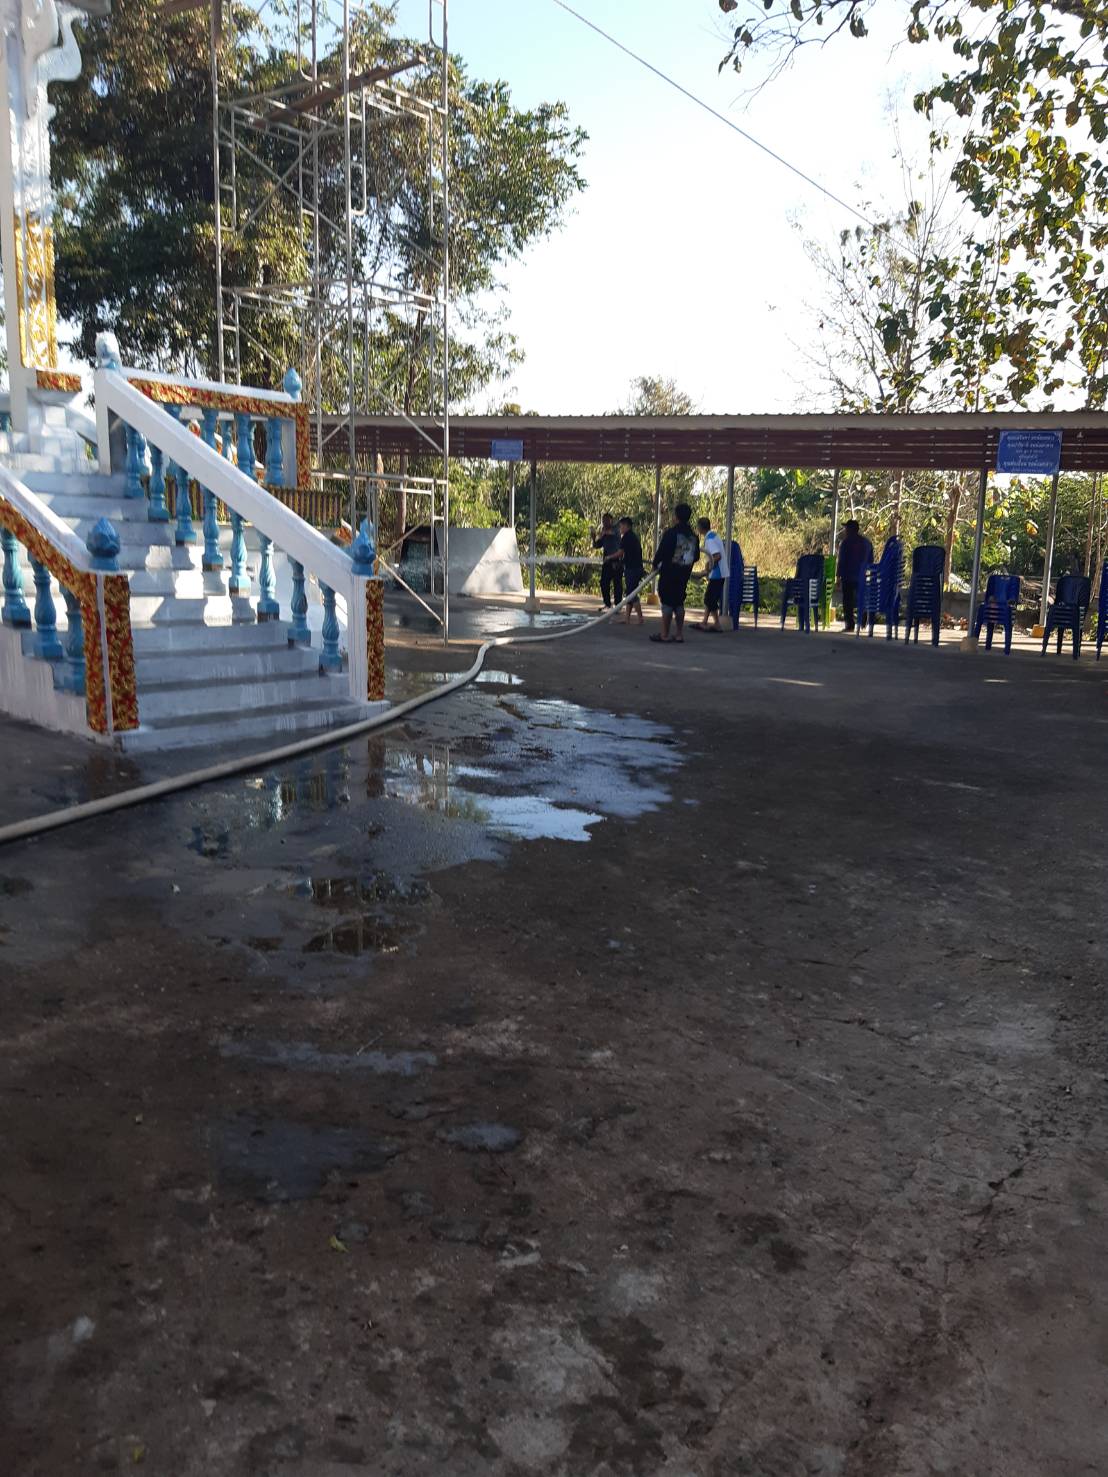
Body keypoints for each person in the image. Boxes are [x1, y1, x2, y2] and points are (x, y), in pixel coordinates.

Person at [650, 503, 699, 643]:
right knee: (679, 602)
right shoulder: (693, 536)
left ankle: (664, 634)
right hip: (684, 574)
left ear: (676, 517)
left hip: (669, 573)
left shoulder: (671, 533)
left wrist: (655, 564)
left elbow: (662, 551)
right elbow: (696, 557)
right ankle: (679, 634)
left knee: (667, 602)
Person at [837, 518, 873, 633]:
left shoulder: (845, 543)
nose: (845, 531)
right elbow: (871, 561)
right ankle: (863, 616)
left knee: (847, 600)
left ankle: (850, 624)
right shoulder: (867, 543)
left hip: (848, 576)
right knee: (862, 597)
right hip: (862, 576)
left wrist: (838, 577)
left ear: (849, 530)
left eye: (846, 528)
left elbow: (842, 561)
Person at [693, 515, 729, 631]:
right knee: (710, 598)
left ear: (700, 528)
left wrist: (708, 567)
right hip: (720, 572)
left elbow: (716, 556)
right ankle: (704, 622)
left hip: (717, 573)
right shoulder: (714, 535)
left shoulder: (709, 540)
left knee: (709, 599)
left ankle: (717, 624)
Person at [617, 515, 645, 624]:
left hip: (633, 569)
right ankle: (627, 618)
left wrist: (609, 557)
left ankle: (640, 617)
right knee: (630, 592)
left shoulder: (627, 537)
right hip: (634, 568)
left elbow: (620, 553)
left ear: (626, 526)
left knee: (632, 594)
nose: (620, 528)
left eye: (621, 526)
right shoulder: (633, 536)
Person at [593, 513, 623, 610]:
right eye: (603, 520)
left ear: (611, 520)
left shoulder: (616, 529)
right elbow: (597, 545)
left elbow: (611, 533)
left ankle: (618, 605)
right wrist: (593, 538)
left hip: (616, 559)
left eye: (606, 520)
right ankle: (607, 603)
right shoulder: (603, 531)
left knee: (617, 584)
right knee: (604, 582)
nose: (604, 522)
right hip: (607, 560)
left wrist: (603, 533)